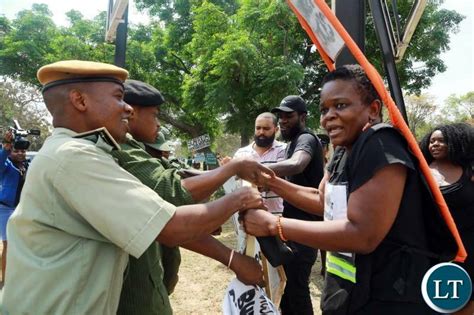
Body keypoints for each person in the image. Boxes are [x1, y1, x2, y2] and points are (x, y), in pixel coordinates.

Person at [0, 60, 270, 314]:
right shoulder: (74, 156)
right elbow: (170, 225)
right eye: (118, 97)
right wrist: (240, 197)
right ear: (79, 100)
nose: (127, 107)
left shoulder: (79, 150)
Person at [243, 64, 457, 314]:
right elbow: (322, 200)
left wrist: (273, 225)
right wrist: (269, 180)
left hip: (387, 297)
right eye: (324, 109)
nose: (328, 116)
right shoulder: (343, 150)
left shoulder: (381, 144)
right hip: (348, 291)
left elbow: (362, 234)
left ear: (373, 110)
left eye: (340, 105)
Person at [113, 79, 266, 314]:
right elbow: (170, 207)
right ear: (131, 113)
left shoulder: (134, 149)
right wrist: (235, 182)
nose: (158, 123)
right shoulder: (121, 150)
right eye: (154, 116)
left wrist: (204, 221)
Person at [266, 95, 324, 314]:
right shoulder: (292, 142)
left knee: (297, 290)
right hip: (293, 226)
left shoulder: (306, 139)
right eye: (280, 116)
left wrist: (260, 170)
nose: (282, 120)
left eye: (288, 116)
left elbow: (297, 164)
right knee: (288, 289)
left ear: (303, 116)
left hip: (306, 229)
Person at [420, 123, 474, 315]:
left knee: (466, 300)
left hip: (467, 248)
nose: (435, 144)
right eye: (432, 141)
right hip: (431, 248)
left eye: (441, 141)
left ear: (456, 143)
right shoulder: (420, 172)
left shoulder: (470, 172)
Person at [233, 112, 286, 215]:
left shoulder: (284, 150)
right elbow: (234, 185)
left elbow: (277, 180)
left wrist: (249, 176)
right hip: (249, 218)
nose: (261, 132)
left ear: (276, 130)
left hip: (278, 218)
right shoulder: (241, 153)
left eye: (266, 129)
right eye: (258, 128)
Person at [0, 131, 30, 284]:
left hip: (22, 209)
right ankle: (5, 282)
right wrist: (6, 147)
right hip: (5, 209)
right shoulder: (6, 165)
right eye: (16, 150)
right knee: (9, 245)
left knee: (23, 244)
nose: (20, 153)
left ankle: (19, 279)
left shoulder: (28, 165)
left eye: (23, 151)